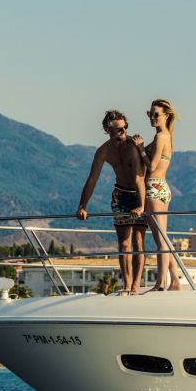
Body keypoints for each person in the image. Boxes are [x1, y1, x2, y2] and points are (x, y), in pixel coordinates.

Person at [76, 110, 146, 294]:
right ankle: (127, 285)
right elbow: (92, 179)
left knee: (138, 241)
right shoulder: (103, 151)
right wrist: (83, 205)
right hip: (121, 194)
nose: (122, 132)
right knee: (124, 243)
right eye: (118, 130)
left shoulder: (133, 145)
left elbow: (140, 178)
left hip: (139, 194)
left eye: (125, 128)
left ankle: (136, 286)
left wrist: (142, 205)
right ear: (108, 130)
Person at [132, 99, 181, 291]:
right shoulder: (166, 136)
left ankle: (161, 283)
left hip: (154, 188)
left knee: (161, 240)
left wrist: (140, 148)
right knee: (163, 238)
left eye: (156, 114)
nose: (152, 118)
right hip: (161, 188)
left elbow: (151, 166)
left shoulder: (161, 137)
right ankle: (175, 280)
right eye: (150, 114)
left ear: (166, 115)